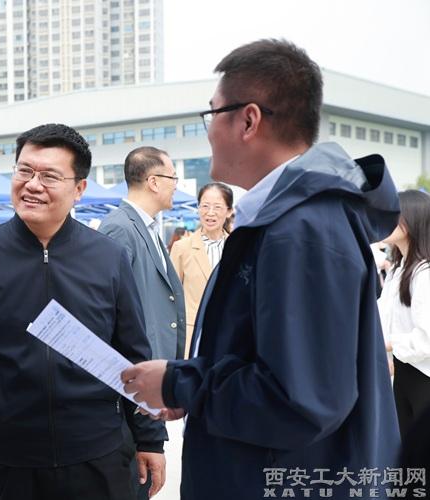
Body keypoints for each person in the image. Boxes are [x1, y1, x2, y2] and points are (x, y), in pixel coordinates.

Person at [121, 39, 401, 499]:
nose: (208, 131)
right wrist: (188, 389)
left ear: (248, 120)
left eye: (212, 114)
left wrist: (180, 384)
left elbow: (301, 400)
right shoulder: (288, 220)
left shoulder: (301, 230)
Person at [0, 124, 166, 500]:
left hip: (98, 454)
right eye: (24, 171)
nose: (32, 184)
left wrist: (150, 439)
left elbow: (133, 352)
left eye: (49, 176)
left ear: (79, 188)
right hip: (11, 460)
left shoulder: (108, 257)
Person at [98, 146, 184, 499]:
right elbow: (117, 327)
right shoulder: (120, 230)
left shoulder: (146, 228)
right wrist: (147, 432)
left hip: (150, 392)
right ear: (153, 181)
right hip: (133, 397)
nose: (176, 185)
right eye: (173, 177)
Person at [378, 189, 430, 439]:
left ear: (413, 219)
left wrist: (385, 345)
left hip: (424, 377)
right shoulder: (397, 270)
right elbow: (382, 319)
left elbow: (427, 339)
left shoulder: (424, 273)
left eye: (394, 214)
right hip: (404, 371)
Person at [169, 182, 233, 358]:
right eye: (205, 206)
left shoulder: (237, 248)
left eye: (217, 207)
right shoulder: (182, 248)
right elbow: (172, 296)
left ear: (228, 211)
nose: (210, 213)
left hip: (228, 334)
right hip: (192, 335)